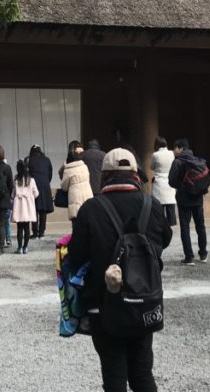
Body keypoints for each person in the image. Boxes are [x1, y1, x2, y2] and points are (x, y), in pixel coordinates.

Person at [67, 148, 172, 392]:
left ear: (104, 175)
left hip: (104, 303)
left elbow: (76, 255)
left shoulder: (91, 208)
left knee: (114, 376)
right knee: (143, 374)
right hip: (144, 300)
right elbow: (165, 239)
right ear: (135, 174)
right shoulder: (152, 205)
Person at [168, 138, 208, 265]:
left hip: (184, 199)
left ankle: (189, 257)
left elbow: (171, 181)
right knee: (200, 226)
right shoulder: (197, 160)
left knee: (185, 227)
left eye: (175, 148)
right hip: (198, 198)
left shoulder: (177, 162)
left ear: (180, 148)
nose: (174, 151)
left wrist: (181, 186)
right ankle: (203, 254)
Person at [11, 158, 39, 254]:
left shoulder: (16, 181)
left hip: (19, 207)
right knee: (27, 227)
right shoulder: (32, 180)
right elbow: (36, 193)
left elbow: (12, 194)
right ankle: (25, 247)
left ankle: (19, 248)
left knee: (19, 228)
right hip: (28, 207)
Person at [27, 144, 54, 238]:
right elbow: (50, 173)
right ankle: (42, 232)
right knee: (43, 210)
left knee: (34, 209)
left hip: (33, 185)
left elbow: (27, 174)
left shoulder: (29, 160)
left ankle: (35, 232)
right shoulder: (47, 159)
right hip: (45, 185)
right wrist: (46, 181)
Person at [61, 142, 92, 220]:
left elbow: (64, 187)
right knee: (87, 219)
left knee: (76, 220)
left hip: (75, 198)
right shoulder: (84, 167)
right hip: (87, 195)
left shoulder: (68, 170)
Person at [150, 137, 177, 227]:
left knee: (159, 205)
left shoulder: (155, 155)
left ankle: (160, 224)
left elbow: (151, 167)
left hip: (159, 182)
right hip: (170, 181)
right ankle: (171, 225)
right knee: (170, 204)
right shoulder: (171, 153)